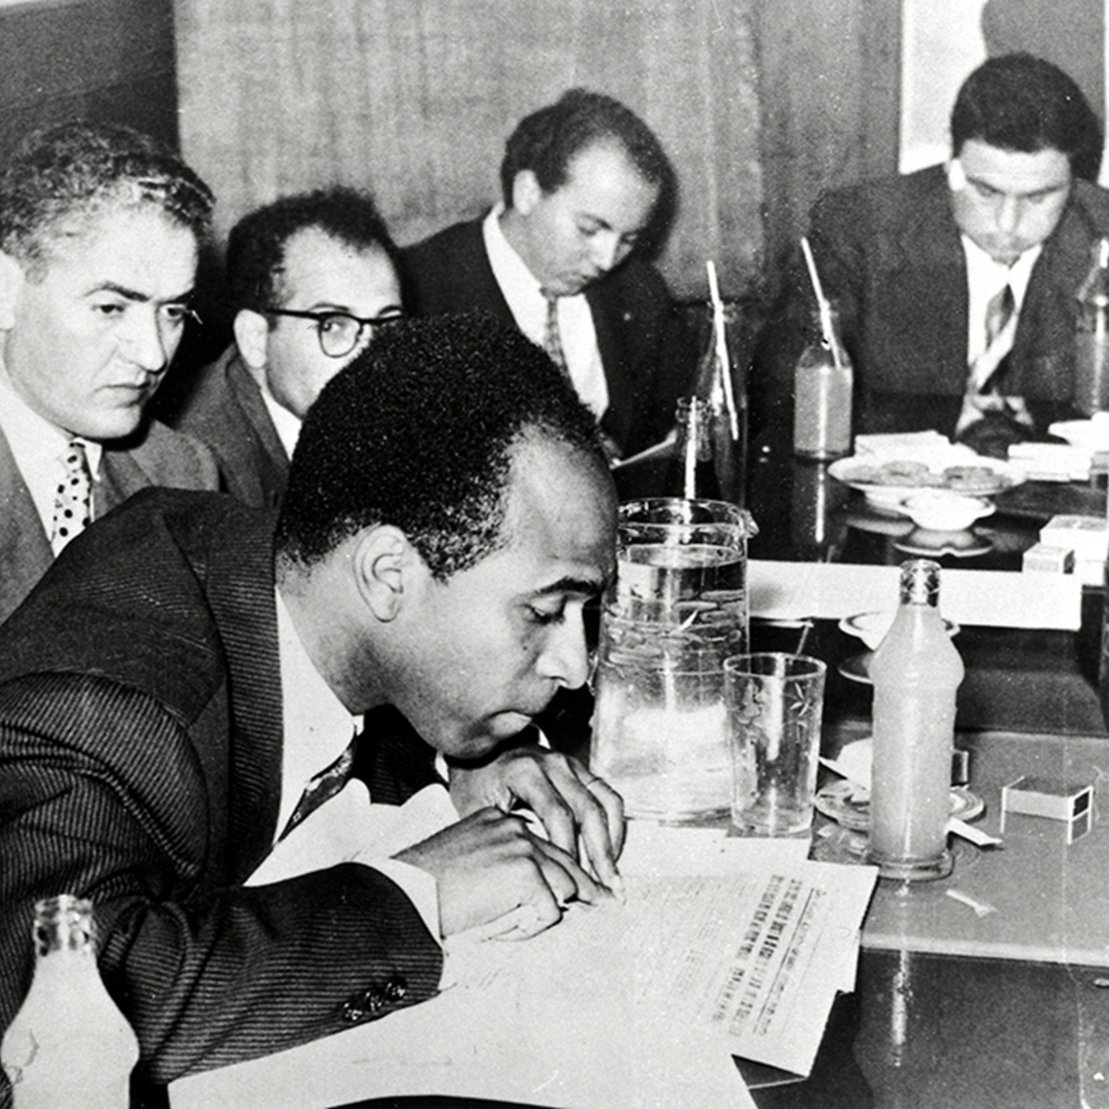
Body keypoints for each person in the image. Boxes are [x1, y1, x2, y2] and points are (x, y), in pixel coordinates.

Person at [0, 313, 624, 1094]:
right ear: (389, 573)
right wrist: (417, 893)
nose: (574, 667)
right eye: (543, 612)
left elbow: (363, 676)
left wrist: (470, 757)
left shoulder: (304, 580)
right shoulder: (104, 708)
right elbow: (51, 1002)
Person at [753, 53, 1109, 457]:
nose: (1008, 224)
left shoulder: (1102, 238)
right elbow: (783, 398)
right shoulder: (861, 230)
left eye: (1039, 197)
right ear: (951, 165)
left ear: (1074, 182)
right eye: (986, 192)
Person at [0, 121, 220, 625]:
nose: (152, 355)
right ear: (5, 290)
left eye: (173, 313)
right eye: (110, 308)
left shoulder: (184, 474)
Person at [401, 88, 692, 460]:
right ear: (527, 192)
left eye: (629, 238)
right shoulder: (415, 291)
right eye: (589, 229)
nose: (607, 261)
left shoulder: (640, 293)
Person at [170, 186, 404, 507]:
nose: (373, 357)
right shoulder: (193, 472)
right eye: (332, 325)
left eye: (387, 323)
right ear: (255, 339)